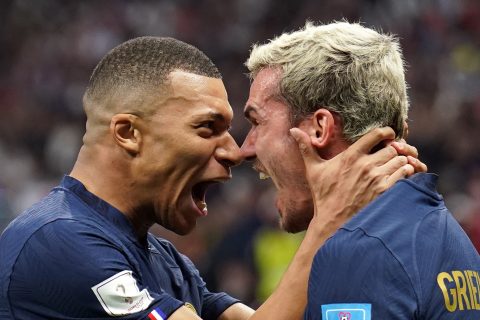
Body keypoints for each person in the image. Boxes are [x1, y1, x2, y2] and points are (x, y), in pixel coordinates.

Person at [0, 36, 422, 320]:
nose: (235, 151)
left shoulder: (163, 260)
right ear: (128, 133)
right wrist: (329, 219)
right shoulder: (58, 244)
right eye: (207, 128)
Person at [241, 21, 480, 319]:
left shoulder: (357, 250)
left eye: (257, 122)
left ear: (319, 129)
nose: (245, 149)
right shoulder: (445, 232)